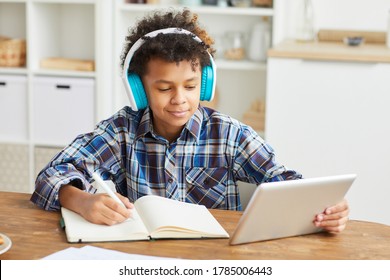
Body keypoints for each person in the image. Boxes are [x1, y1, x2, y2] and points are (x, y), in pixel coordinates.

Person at [30, 9, 349, 233]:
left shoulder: (229, 135)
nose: (179, 99)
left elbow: (287, 183)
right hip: (143, 261)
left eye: (191, 86)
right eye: (165, 88)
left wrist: (325, 211)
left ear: (206, 84)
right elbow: (52, 174)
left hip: (215, 263)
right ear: (139, 89)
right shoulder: (122, 131)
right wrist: (81, 200)